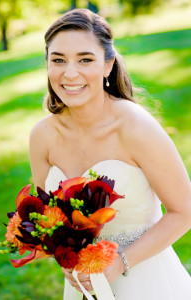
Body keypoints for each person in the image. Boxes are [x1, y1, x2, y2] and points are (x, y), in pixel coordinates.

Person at [29, 8, 191, 300]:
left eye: (85, 59)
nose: (70, 72)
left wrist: (120, 262)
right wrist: (61, 253)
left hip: (145, 280)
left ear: (108, 65)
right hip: (82, 286)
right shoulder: (42, 136)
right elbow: (49, 219)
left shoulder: (136, 127)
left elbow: (184, 211)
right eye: (58, 60)